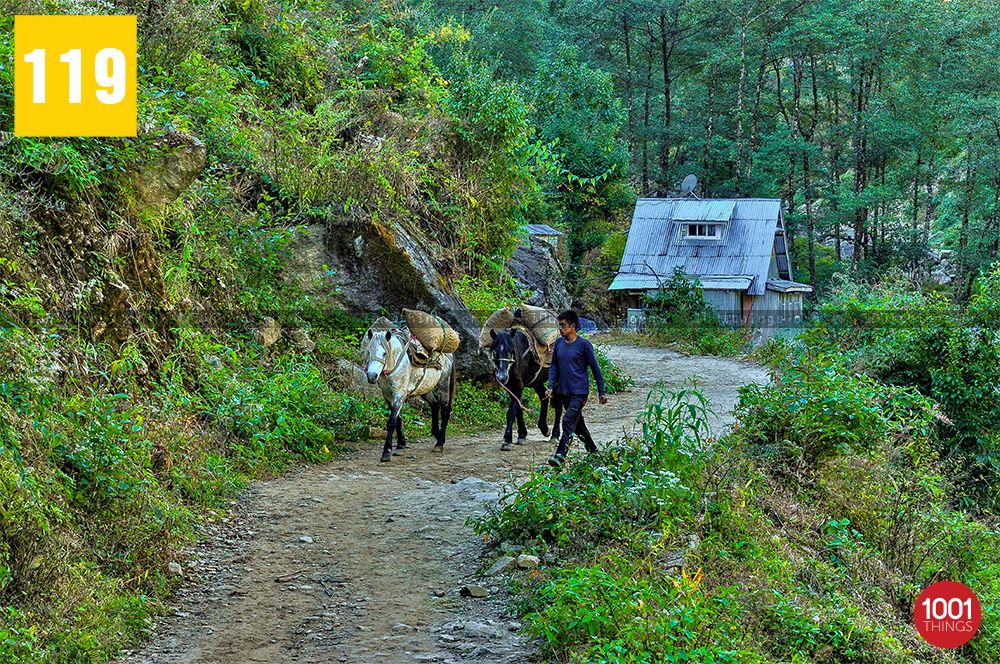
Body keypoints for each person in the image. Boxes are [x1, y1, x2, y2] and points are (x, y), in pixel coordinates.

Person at [544, 310, 608, 467]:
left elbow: (595, 369)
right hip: (563, 392)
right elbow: (554, 367)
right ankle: (593, 451)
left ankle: (560, 455)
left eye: (563, 325)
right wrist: (551, 387)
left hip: (579, 393)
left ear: (572, 326)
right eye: (559, 325)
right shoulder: (559, 344)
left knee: (567, 421)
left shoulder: (584, 345)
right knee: (578, 425)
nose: (560, 329)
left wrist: (602, 391)